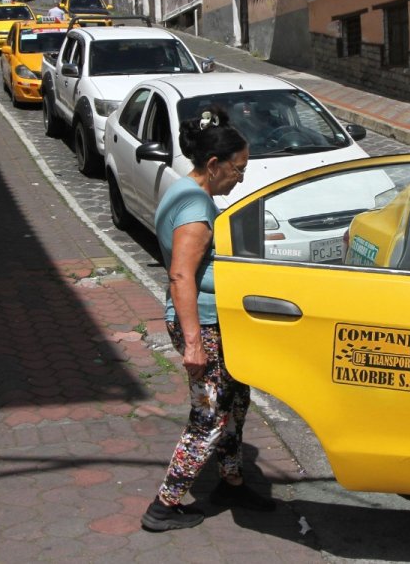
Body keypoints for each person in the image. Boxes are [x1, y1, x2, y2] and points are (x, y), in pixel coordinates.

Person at [141, 107, 275, 533]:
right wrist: (195, 344)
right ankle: (163, 505)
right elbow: (181, 274)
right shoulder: (196, 207)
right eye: (238, 169)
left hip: (218, 324)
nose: (242, 178)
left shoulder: (185, 189)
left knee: (237, 399)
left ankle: (231, 480)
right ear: (214, 164)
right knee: (210, 415)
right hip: (204, 327)